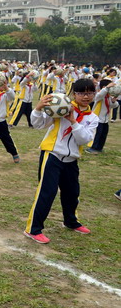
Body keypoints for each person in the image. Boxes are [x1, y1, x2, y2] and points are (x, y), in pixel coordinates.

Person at [24, 79, 99, 244]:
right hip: (52, 155)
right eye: (81, 93)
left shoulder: (92, 117)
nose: (86, 96)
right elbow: (38, 124)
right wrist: (38, 108)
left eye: (89, 93)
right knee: (47, 193)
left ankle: (71, 221)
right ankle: (33, 229)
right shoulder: (60, 106)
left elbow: (84, 140)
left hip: (71, 160)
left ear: (94, 93)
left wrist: (73, 121)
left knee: (72, 193)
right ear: (74, 94)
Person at [86, 80, 117, 154]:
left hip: (105, 119)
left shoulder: (108, 97)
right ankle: (93, 148)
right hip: (97, 119)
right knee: (97, 134)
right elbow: (99, 95)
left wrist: (113, 101)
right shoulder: (99, 95)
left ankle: (100, 147)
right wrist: (107, 87)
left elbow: (114, 106)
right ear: (104, 87)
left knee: (103, 134)